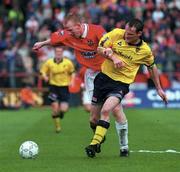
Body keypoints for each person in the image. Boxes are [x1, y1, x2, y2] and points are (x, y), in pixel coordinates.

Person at [33, 13, 129, 156]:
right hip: (91, 76)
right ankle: (99, 136)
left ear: (79, 26)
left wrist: (113, 57)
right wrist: (42, 43)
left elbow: (109, 44)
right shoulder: (69, 34)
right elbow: (55, 40)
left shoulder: (97, 30)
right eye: (67, 30)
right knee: (93, 119)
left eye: (71, 29)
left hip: (108, 73)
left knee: (115, 110)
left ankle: (123, 147)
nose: (68, 33)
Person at [85, 18, 168, 158]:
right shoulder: (117, 33)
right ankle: (103, 138)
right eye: (126, 31)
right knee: (93, 119)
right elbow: (99, 49)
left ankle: (95, 144)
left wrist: (159, 88)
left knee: (107, 110)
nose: (126, 35)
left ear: (139, 34)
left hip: (120, 84)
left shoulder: (145, 51)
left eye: (130, 34)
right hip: (103, 79)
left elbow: (152, 67)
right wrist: (113, 57)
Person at [40, 46, 75, 133]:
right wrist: (44, 76)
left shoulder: (68, 62)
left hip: (64, 87)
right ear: (54, 53)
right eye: (57, 52)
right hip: (53, 87)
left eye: (60, 52)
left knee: (64, 109)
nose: (58, 53)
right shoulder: (49, 62)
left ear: (62, 53)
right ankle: (57, 127)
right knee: (55, 107)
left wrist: (72, 81)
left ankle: (60, 113)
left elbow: (72, 72)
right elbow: (42, 71)